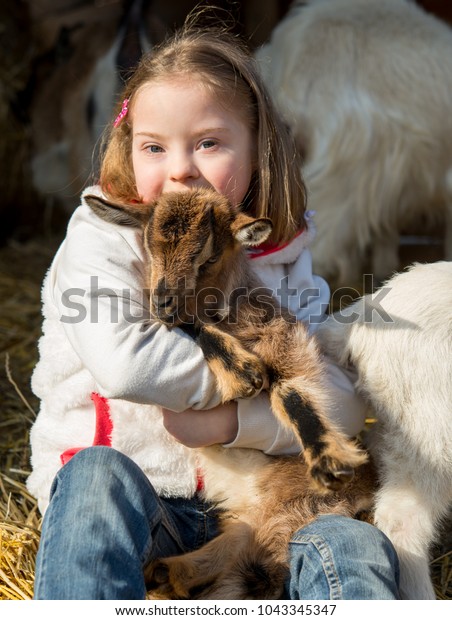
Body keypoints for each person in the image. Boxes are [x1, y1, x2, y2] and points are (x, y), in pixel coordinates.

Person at [28, 20, 400, 600]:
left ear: (258, 149)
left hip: (266, 505)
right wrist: (254, 376)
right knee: (92, 482)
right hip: (141, 499)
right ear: (129, 150)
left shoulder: (283, 253)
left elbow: (345, 404)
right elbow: (126, 365)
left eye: (208, 143)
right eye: (154, 147)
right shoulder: (103, 237)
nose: (179, 169)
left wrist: (233, 424)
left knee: (352, 542)